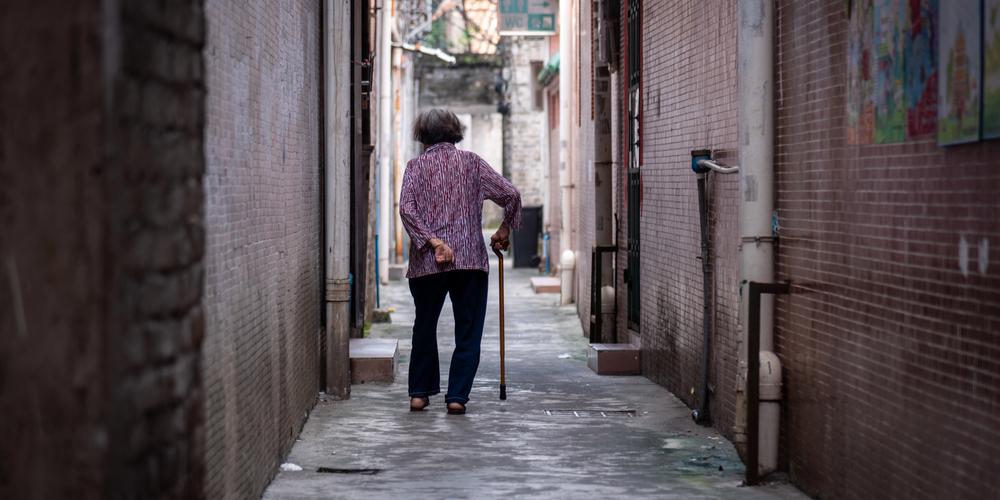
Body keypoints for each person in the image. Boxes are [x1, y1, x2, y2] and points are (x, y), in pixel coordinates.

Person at [399, 109, 522, 415]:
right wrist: (504, 228)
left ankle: (419, 394)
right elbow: (511, 194)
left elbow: (406, 209)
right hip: (469, 261)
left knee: (424, 326)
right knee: (468, 329)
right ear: (455, 132)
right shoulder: (472, 163)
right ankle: (456, 397)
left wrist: (434, 241)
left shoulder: (415, 167)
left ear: (422, 135)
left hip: (427, 262)